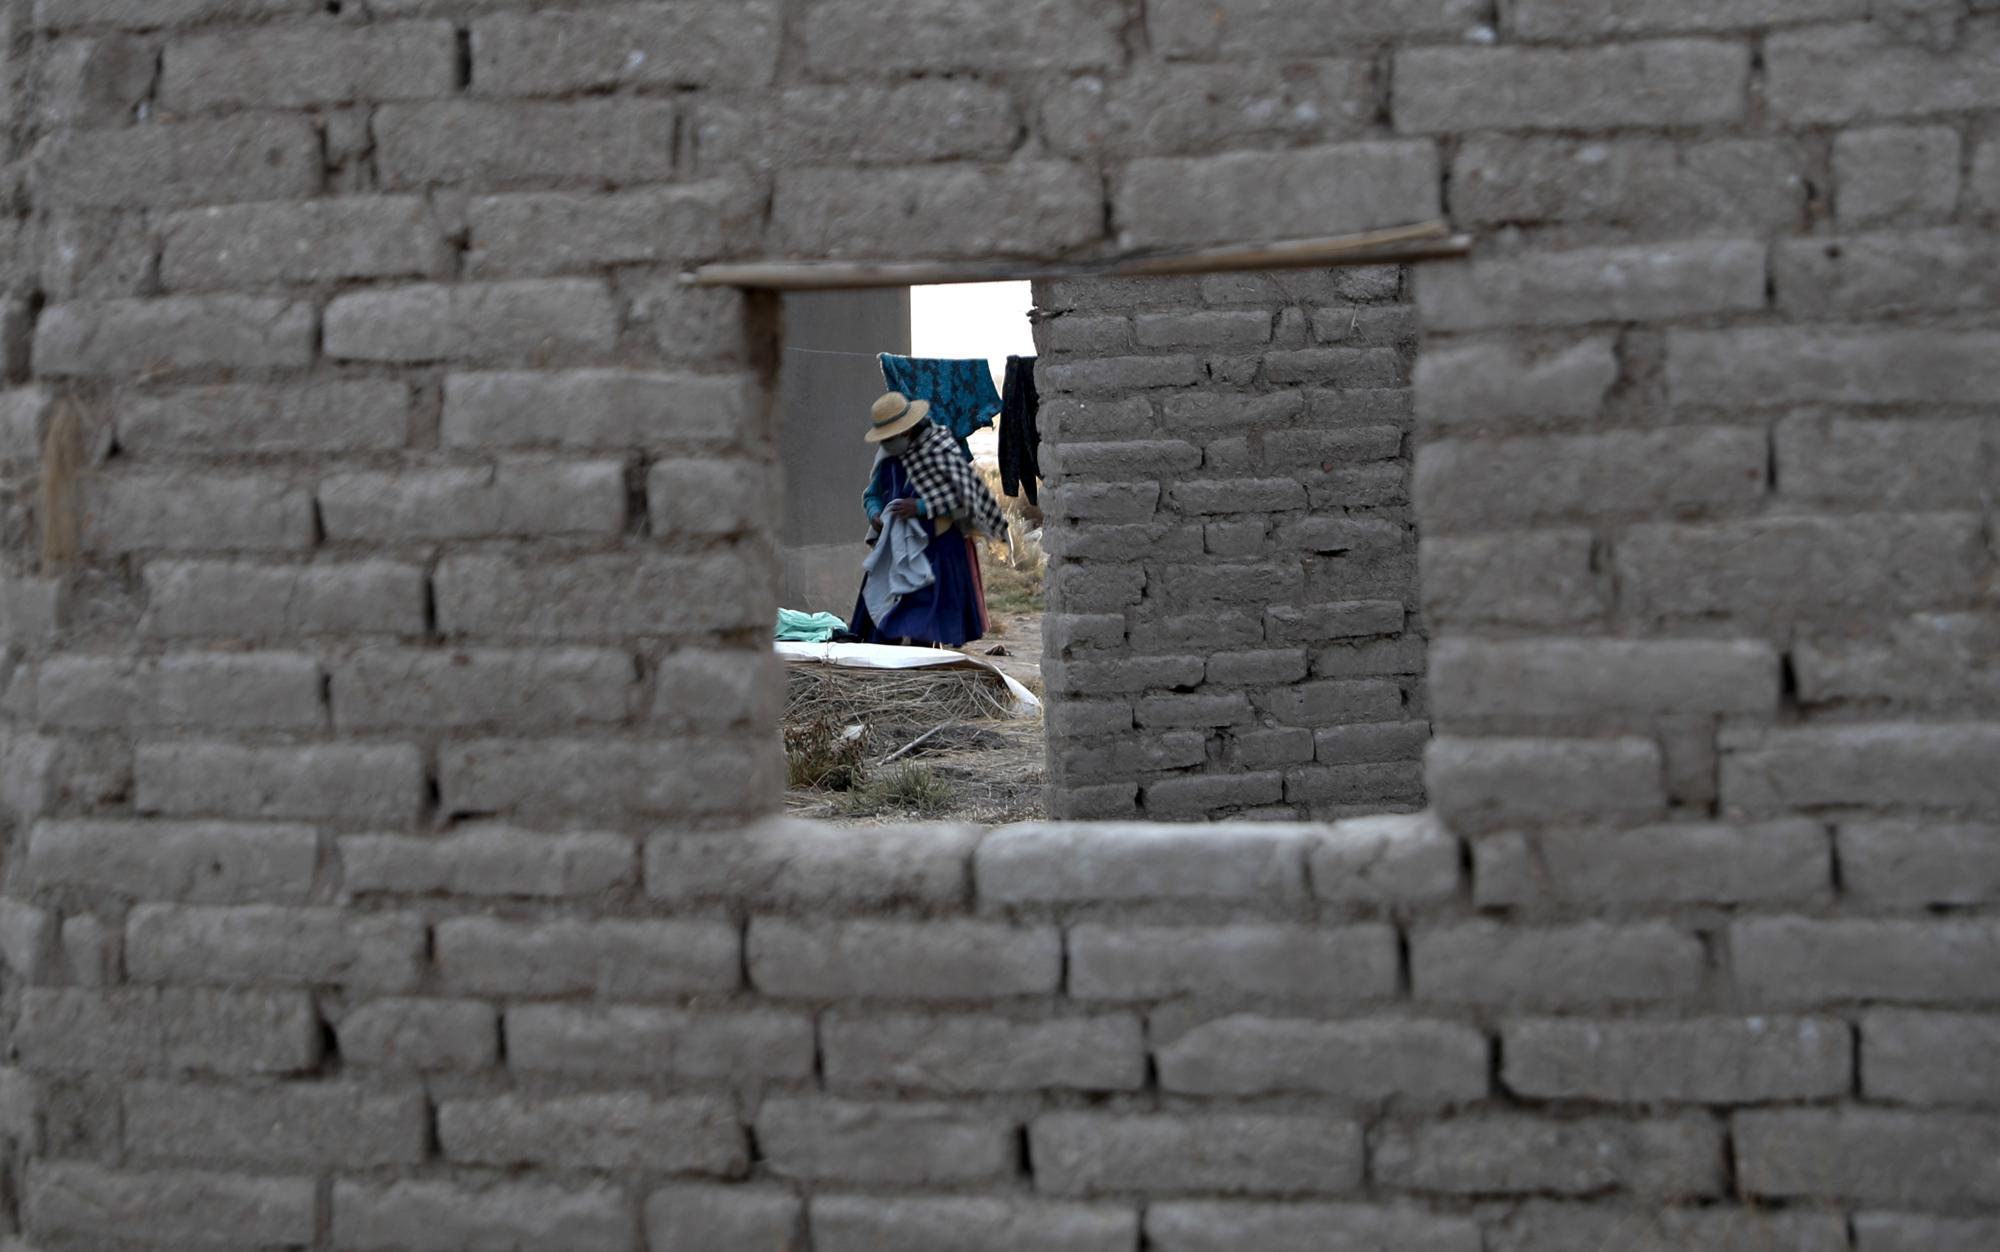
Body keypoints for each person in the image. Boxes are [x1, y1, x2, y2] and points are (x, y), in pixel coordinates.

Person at [849, 391, 1010, 648]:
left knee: (926, 623)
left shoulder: (940, 449)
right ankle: (889, 671)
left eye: (891, 436)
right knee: (885, 619)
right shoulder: (887, 456)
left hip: (938, 548)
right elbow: (872, 495)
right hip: (896, 548)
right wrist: (876, 513)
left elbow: (964, 497)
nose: (888, 442)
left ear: (907, 431)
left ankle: (925, 665)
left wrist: (920, 507)